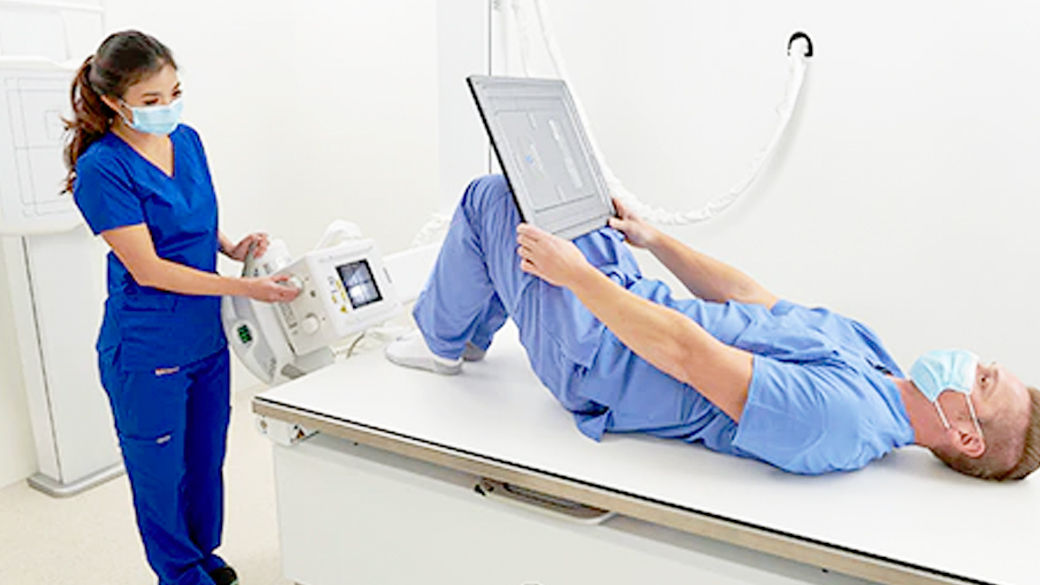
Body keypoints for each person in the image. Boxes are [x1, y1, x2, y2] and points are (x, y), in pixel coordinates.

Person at [387, 174, 1040, 480]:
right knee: (555, 189)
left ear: (964, 436)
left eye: (982, 379)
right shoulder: (876, 361)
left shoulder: (840, 421)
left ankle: (444, 343)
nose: (969, 360)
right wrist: (654, 240)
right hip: (632, 302)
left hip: (599, 357)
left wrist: (577, 276)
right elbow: (750, 297)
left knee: (493, 197)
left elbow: (687, 354)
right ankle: (469, 328)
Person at [63, 31, 299, 585]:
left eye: (174, 92)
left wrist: (232, 248)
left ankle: (203, 557)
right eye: (150, 101)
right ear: (112, 102)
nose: (166, 108)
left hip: (204, 337)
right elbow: (148, 267)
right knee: (160, 474)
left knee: (203, 463)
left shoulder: (187, 140)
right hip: (148, 348)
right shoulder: (102, 169)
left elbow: (191, 219)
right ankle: (178, 574)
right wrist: (249, 290)